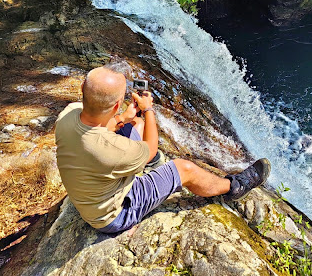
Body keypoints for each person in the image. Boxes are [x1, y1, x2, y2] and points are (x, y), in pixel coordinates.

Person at [55, 65, 270, 233]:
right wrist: (148, 110)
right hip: (114, 214)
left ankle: (148, 165)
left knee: (135, 125)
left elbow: (96, 131)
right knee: (184, 168)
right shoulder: (112, 149)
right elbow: (149, 148)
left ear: (82, 88)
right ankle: (235, 187)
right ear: (114, 105)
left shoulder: (68, 113)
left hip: (90, 192)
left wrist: (122, 118)